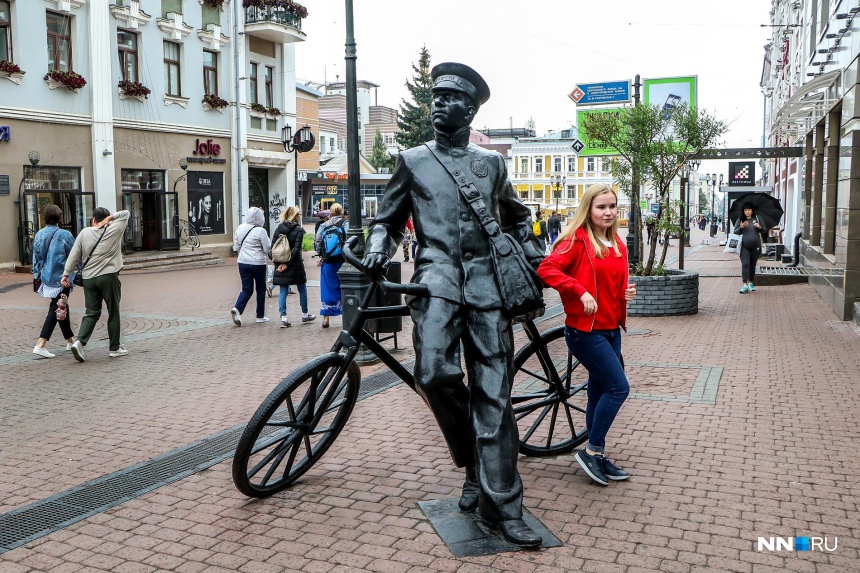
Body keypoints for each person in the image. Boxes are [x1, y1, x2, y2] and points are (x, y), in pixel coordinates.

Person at [361, 63, 545, 547]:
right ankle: (473, 462)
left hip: (487, 291)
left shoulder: (492, 164)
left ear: (471, 108)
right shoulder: (413, 160)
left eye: (449, 97)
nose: (438, 103)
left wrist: (534, 257)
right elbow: (386, 219)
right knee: (434, 374)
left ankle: (504, 508)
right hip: (436, 284)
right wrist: (378, 245)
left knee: (495, 396)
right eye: (435, 96)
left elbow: (518, 218)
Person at [537, 183, 637, 487]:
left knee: (599, 391)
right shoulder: (575, 242)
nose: (607, 212)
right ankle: (592, 450)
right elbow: (547, 269)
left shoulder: (617, 244)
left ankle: (597, 451)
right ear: (588, 209)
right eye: (601, 207)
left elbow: (611, 283)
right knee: (619, 388)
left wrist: (625, 294)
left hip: (610, 329)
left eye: (612, 207)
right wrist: (578, 291)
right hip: (584, 331)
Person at [61, 208, 131, 362]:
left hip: (89, 279)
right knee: (113, 311)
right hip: (109, 276)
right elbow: (126, 213)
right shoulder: (115, 229)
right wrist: (111, 218)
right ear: (107, 219)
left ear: (93, 219)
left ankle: (79, 342)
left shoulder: (85, 233)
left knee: (91, 312)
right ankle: (115, 347)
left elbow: (74, 254)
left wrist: (66, 273)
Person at [32, 205, 77, 358]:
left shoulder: (39, 234)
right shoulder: (65, 235)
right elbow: (74, 255)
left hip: (46, 277)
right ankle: (41, 343)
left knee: (61, 306)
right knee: (57, 308)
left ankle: (70, 341)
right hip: (62, 278)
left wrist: (37, 275)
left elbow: (36, 259)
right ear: (59, 217)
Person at [271, 206, 315, 327]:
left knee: (283, 291)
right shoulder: (299, 230)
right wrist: (287, 264)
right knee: (302, 288)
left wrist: (279, 264)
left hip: (281, 263)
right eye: (298, 214)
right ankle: (305, 314)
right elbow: (296, 250)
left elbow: (273, 248)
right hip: (295, 265)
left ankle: (284, 318)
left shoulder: (279, 228)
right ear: (295, 216)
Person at [230, 207, 271, 326]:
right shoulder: (261, 231)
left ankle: (237, 309)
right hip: (258, 263)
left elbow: (236, 246)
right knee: (261, 289)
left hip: (243, 262)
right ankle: (260, 316)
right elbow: (267, 248)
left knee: (246, 289)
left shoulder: (240, 228)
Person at [315, 203, 346, 328]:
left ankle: (326, 318)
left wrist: (321, 255)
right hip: (342, 260)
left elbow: (317, 242)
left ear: (330, 213)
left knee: (327, 287)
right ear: (341, 212)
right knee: (343, 287)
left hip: (328, 262)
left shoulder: (324, 225)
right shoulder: (345, 224)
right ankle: (345, 315)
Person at [734, 202, 767, 294]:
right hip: (744, 246)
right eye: (745, 210)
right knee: (745, 264)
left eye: (749, 210)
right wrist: (741, 227)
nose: (747, 212)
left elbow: (764, 230)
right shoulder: (740, 219)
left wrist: (759, 227)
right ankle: (744, 284)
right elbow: (736, 232)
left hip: (755, 246)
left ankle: (751, 282)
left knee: (752, 265)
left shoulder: (757, 218)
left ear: (752, 211)